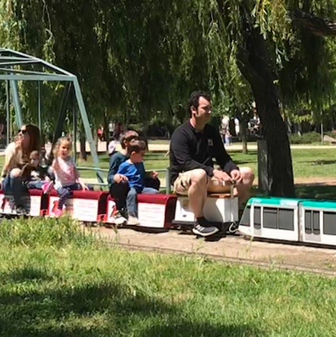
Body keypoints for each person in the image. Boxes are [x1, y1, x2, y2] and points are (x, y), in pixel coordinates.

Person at [169, 91, 254, 237]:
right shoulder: (180, 134)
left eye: (210, 108)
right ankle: (199, 221)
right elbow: (185, 162)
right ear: (193, 110)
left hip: (207, 178)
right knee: (199, 174)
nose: (209, 111)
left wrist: (232, 169)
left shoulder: (211, 132)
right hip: (183, 180)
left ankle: (233, 218)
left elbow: (222, 156)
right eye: (205, 108)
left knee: (246, 174)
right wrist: (213, 171)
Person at [108, 139, 160, 225]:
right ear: (133, 154)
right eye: (142, 155)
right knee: (132, 194)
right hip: (130, 187)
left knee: (154, 192)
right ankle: (131, 216)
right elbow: (118, 177)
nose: (143, 157)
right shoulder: (124, 165)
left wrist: (150, 175)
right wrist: (120, 177)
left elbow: (141, 175)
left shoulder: (140, 164)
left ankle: (151, 213)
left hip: (141, 187)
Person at [1, 123, 43, 211]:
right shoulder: (12, 147)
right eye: (19, 131)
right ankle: (18, 205)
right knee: (16, 172)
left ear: (32, 135)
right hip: (9, 183)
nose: (20, 133)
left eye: (24, 132)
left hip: (26, 181)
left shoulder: (35, 151)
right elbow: (5, 171)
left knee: (47, 173)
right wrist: (14, 152)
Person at [50, 135, 87, 208]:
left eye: (68, 148)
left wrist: (82, 183)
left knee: (88, 187)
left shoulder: (71, 160)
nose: (65, 150)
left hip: (71, 184)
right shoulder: (57, 160)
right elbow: (54, 167)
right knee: (65, 193)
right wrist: (56, 156)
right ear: (58, 148)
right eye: (63, 147)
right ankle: (59, 207)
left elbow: (76, 174)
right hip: (61, 186)